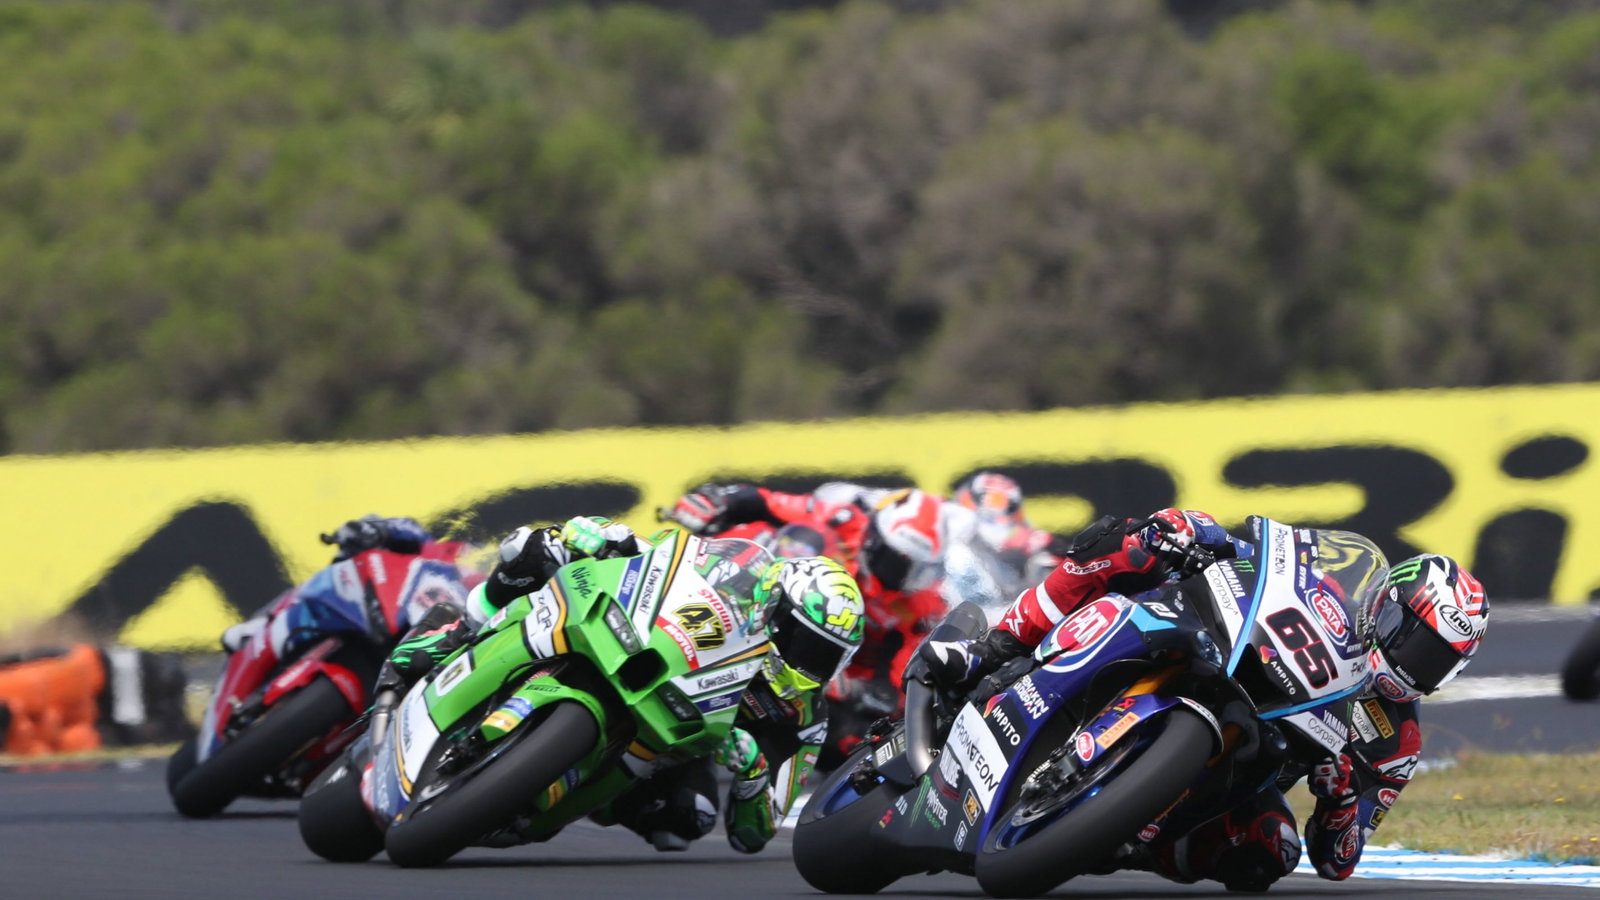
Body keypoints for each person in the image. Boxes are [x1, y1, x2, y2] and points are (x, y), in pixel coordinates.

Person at [915, 508, 1489, 891]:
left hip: (1240, 767)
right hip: (1208, 639)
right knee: (1127, 543)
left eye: (1436, 660)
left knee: (1273, 852)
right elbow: (1271, 550)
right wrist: (1203, 535)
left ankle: (1132, 838)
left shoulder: (1397, 742)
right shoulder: (1340, 578)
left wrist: (1339, 802)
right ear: (1386, 605)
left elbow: (1338, 859)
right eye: (1415, 641)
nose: (1416, 664)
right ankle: (992, 650)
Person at [382, 514, 866, 855]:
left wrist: (753, 773)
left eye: (825, 656)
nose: (809, 663)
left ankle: (554, 793)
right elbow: (665, 555)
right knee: (533, 547)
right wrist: (610, 539)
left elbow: (754, 834)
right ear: (775, 607)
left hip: (678, 740)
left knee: (689, 816)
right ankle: (463, 628)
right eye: (804, 642)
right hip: (638, 644)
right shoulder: (732, 574)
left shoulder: (803, 715)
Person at [219, 514, 453, 660]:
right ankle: (266, 620)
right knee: (344, 565)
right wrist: (376, 529)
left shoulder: (467, 579)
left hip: (415, 635)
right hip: (376, 596)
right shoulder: (438, 546)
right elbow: (408, 529)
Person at [949, 471, 1071, 586]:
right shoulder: (951, 546)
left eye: (997, 502)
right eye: (992, 501)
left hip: (1010, 603)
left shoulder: (1036, 543)